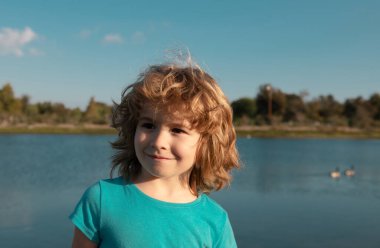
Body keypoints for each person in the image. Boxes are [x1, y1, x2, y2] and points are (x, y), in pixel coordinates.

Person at [70, 61, 240, 248]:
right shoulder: (101, 199)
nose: (158, 142)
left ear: (206, 144)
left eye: (177, 130)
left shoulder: (215, 221)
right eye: (149, 125)